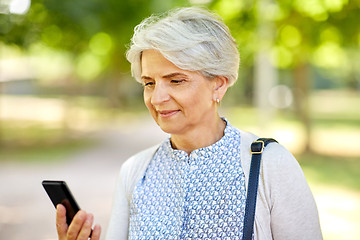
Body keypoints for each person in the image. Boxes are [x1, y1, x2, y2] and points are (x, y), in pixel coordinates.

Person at [56, 7, 323, 240]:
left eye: (176, 80)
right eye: (149, 83)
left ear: (218, 85)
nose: (157, 98)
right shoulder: (134, 172)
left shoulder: (270, 164)